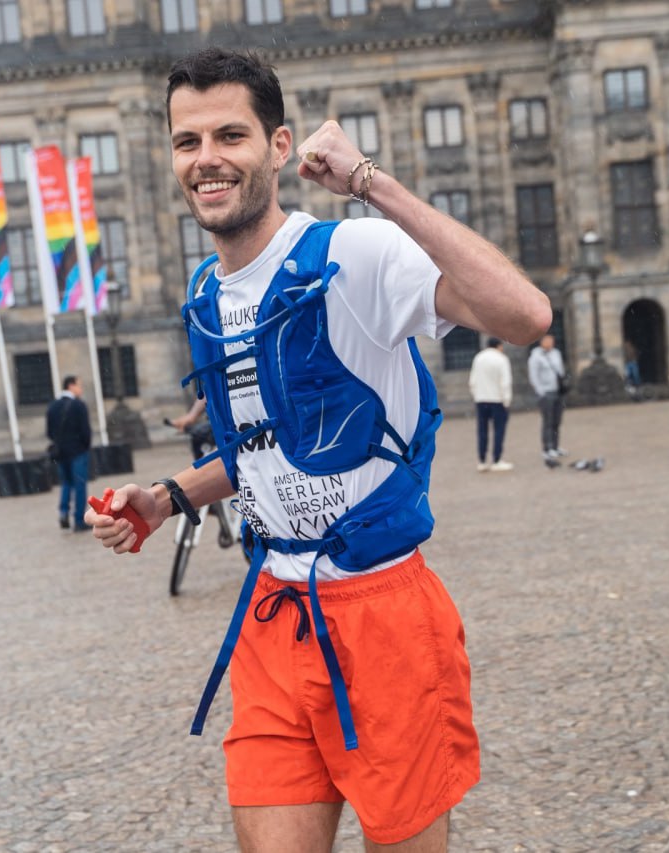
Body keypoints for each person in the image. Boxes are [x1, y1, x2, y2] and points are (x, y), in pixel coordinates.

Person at [85, 48, 550, 851]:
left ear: (278, 145)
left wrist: (372, 182)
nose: (207, 160)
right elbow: (267, 449)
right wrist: (167, 497)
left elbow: (525, 313)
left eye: (230, 135)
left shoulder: (353, 255)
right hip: (273, 620)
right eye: (186, 142)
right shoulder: (207, 295)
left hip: (384, 619)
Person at [46, 375, 93, 531]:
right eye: (79, 385)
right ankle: (79, 520)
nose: (81, 389)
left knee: (66, 483)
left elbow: (49, 432)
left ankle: (63, 512)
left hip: (60, 452)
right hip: (77, 451)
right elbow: (86, 431)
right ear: (71, 386)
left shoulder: (53, 406)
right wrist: (84, 445)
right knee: (79, 484)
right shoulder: (79, 405)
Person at [467, 337, 513, 472]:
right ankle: (496, 459)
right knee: (499, 430)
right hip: (497, 400)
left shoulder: (478, 358)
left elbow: (473, 381)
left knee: (482, 430)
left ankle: (482, 460)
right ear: (499, 346)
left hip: (481, 400)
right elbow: (505, 382)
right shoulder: (501, 359)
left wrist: (477, 395)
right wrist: (507, 400)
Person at [528, 334, 568, 464]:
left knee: (557, 420)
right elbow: (533, 376)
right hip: (546, 392)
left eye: (552, 341)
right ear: (542, 342)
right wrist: (541, 392)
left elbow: (560, 371)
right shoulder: (536, 357)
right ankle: (547, 448)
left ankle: (556, 446)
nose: (550, 343)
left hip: (557, 391)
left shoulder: (556, 353)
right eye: (548, 341)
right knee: (548, 421)